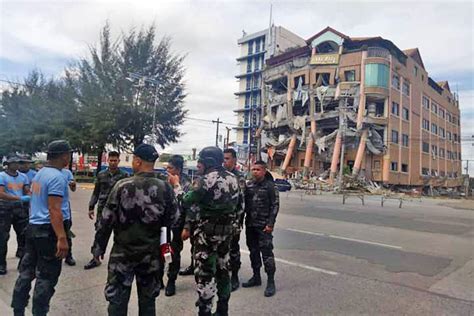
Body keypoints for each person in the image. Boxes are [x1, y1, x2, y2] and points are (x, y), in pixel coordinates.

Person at [91, 144, 177, 315]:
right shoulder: (165, 187)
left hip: (123, 253)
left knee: (117, 301)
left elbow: (106, 220)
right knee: (148, 302)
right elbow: (173, 219)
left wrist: (98, 247)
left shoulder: (122, 185)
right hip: (151, 253)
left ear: (137, 161)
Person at [11, 140, 72, 316]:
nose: (69, 157)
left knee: (26, 272)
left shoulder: (39, 174)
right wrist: (61, 237)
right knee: (46, 277)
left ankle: (18, 310)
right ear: (63, 156)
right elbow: (54, 210)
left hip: (33, 228)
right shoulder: (57, 177)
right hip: (48, 233)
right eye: (68, 154)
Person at [181, 146, 239, 316]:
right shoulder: (234, 178)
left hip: (207, 236)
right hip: (226, 233)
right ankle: (223, 309)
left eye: (201, 161)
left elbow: (186, 201)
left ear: (208, 162)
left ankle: (205, 311)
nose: (199, 164)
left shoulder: (205, 180)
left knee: (205, 273)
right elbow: (239, 205)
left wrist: (176, 186)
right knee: (223, 269)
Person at [84, 151, 128, 270]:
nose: (113, 162)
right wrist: (91, 207)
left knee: (120, 234)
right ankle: (95, 258)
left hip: (119, 210)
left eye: (115, 160)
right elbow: (96, 192)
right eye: (111, 160)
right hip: (103, 209)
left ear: (118, 161)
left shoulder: (124, 176)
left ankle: (120, 259)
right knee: (100, 233)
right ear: (107, 161)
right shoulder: (101, 175)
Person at [242, 161, 279, 297]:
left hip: (264, 227)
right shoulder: (249, 185)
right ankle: (256, 277)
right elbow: (244, 205)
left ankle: (270, 281)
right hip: (250, 225)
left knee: (267, 254)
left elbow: (275, 206)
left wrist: (270, 224)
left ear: (264, 171)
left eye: (258, 169)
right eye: (253, 169)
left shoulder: (270, 186)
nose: (255, 172)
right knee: (253, 251)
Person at [159, 155, 191, 296]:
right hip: (162, 226)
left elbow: (190, 207)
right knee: (162, 252)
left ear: (178, 169)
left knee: (174, 254)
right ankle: (159, 278)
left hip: (177, 226)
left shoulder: (188, 184)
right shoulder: (162, 181)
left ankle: (171, 281)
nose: (167, 170)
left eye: (170, 168)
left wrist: (187, 227)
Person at [0, 155, 31, 273]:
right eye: (15, 163)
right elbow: (1, 194)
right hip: (4, 208)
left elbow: (26, 189)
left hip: (20, 209)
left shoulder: (23, 177)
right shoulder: (2, 176)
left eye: (19, 163)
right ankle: (1, 264)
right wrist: (19, 198)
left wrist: (29, 194)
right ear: (8, 165)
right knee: (2, 237)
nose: (18, 165)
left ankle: (23, 263)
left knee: (23, 235)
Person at [222, 148, 245, 292]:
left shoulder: (239, 178)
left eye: (227, 159)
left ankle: (235, 276)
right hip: (221, 221)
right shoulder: (222, 175)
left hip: (234, 220)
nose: (225, 162)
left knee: (234, 249)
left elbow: (239, 202)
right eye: (223, 159)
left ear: (235, 160)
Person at [179, 161, 205, 277]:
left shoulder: (197, 183)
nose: (197, 167)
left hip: (201, 221)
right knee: (194, 247)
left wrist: (187, 226)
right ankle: (193, 266)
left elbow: (189, 202)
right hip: (185, 220)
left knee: (201, 249)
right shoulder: (199, 180)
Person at [61, 167, 77, 266]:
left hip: (65, 207)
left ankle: (68, 256)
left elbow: (73, 188)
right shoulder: (46, 172)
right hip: (49, 207)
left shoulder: (67, 173)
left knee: (67, 232)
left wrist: (73, 185)